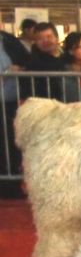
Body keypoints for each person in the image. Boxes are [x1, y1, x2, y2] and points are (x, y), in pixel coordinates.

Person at [0, 30, 30, 197]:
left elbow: (26, 60)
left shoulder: (9, 39)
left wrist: (19, 68)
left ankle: (11, 184)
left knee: (11, 144)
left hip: (10, 100)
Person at [27, 22, 63, 100]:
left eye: (49, 36)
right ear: (35, 42)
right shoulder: (32, 62)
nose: (45, 41)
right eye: (40, 38)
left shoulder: (67, 57)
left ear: (57, 38)